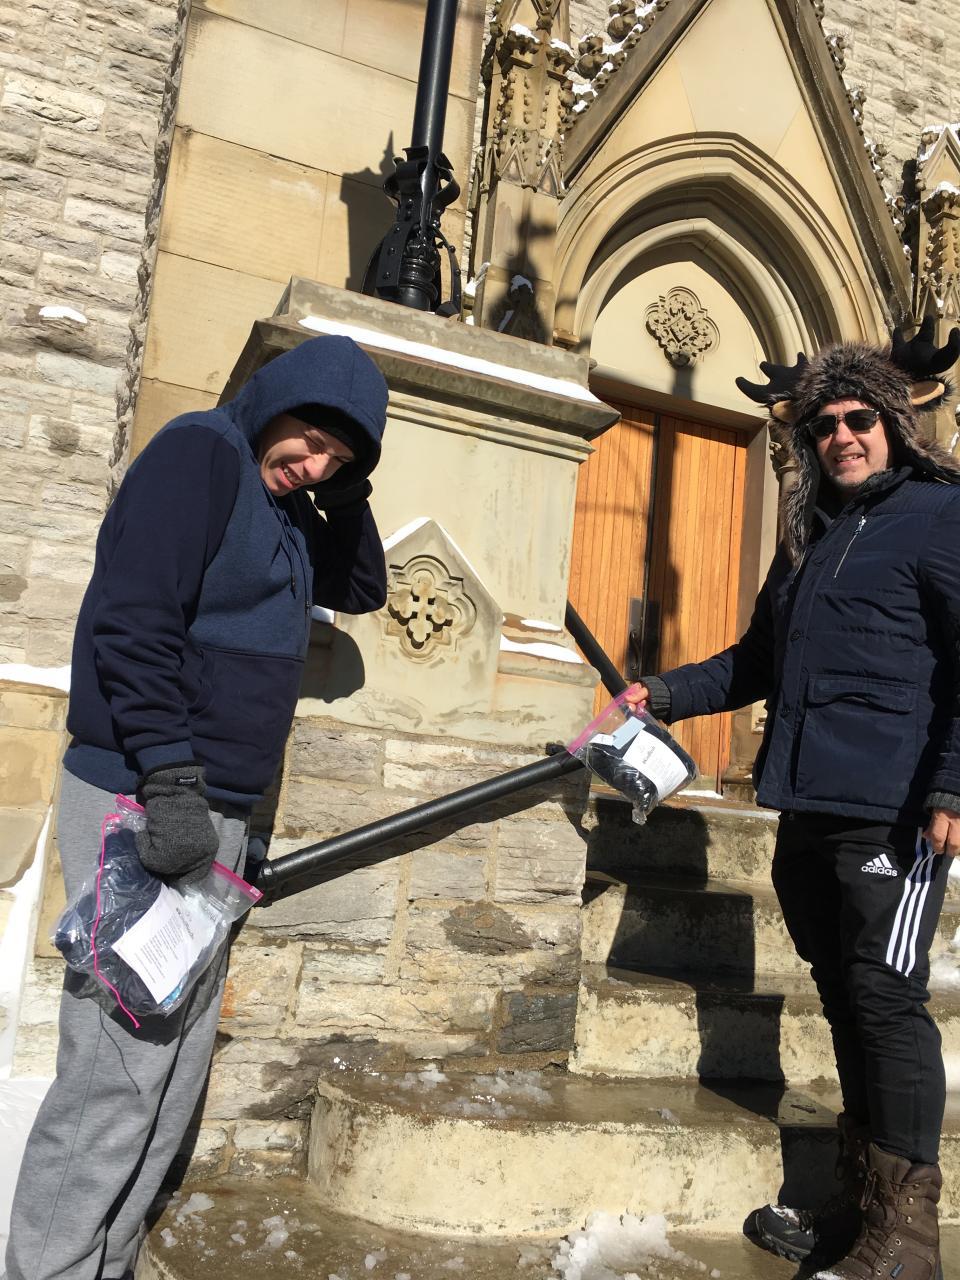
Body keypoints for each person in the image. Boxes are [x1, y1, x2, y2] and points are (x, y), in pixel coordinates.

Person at [5, 334, 389, 1280]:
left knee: (169, 1074)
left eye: (337, 459)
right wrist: (170, 784)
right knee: (115, 1071)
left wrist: (345, 494)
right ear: (274, 401)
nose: (314, 466)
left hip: (213, 809)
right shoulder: (200, 456)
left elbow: (361, 587)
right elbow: (133, 622)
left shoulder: (285, 503)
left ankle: (104, 1263)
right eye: (310, 442)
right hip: (143, 793)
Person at [626, 323, 960, 1280]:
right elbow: (756, 660)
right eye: (823, 425)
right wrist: (664, 693)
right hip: (808, 802)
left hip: (896, 809)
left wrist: (953, 784)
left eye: (858, 419)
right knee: (846, 998)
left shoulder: (941, 515)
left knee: (886, 1000)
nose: (841, 436)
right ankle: (861, 1211)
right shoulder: (809, 536)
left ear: (893, 423)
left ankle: (907, 1245)